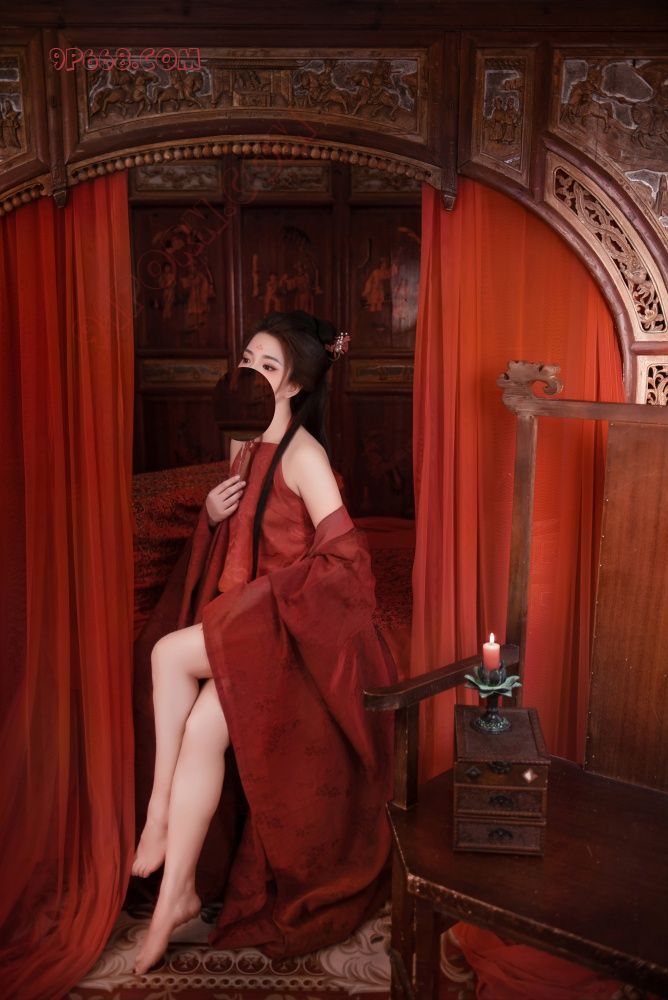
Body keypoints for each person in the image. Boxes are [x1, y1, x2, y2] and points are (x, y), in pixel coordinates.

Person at [130, 310, 395, 975]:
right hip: (243, 623)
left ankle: (158, 816)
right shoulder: (243, 447)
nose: (250, 371)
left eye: (268, 366)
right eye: (247, 359)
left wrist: (272, 602)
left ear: (295, 385)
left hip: (283, 629)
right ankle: (177, 896)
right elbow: (237, 547)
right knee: (200, 731)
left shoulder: (305, 456)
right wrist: (212, 515)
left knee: (166, 654)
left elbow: (347, 562)